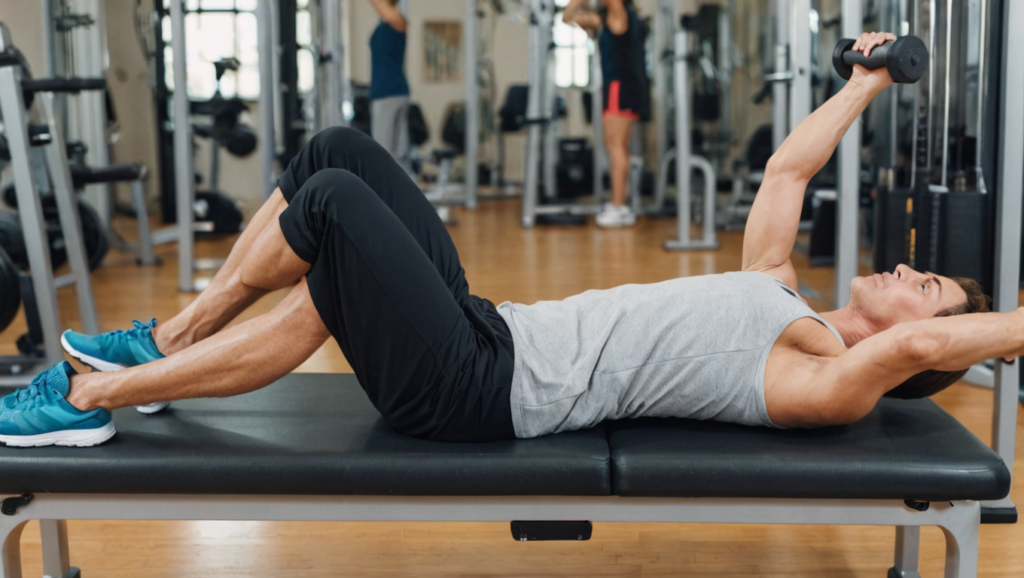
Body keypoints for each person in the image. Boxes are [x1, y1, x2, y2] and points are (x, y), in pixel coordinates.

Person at [0, 33, 1011, 448]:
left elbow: (923, 347)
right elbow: (789, 172)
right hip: (487, 332)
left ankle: (92, 395)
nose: (908, 270)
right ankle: (168, 345)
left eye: (926, 286)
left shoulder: (830, 376)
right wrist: (862, 86)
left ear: (919, 348)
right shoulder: (779, 295)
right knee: (335, 150)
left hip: (478, 392)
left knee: (339, 208)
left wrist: (1006, 324)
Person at [563, 0, 647, 228]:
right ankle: (619, 203)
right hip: (618, 86)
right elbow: (567, 17)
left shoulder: (619, 13)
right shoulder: (605, 17)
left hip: (620, 87)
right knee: (616, 146)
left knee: (616, 146)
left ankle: (618, 206)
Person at [368, 0, 411, 172]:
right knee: (392, 153)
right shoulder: (387, 21)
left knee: (384, 154)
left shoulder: (398, 20)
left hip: (389, 94)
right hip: (388, 92)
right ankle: (397, 196)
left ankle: (389, 196)